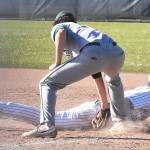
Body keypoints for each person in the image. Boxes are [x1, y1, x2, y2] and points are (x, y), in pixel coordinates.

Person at [22, 11, 129, 138]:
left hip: (93, 51)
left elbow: (60, 32)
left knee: (47, 83)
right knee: (113, 80)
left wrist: (57, 63)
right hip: (117, 54)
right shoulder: (82, 31)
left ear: (57, 22)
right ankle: (121, 122)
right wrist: (104, 104)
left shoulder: (61, 26)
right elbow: (96, 71)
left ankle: (47, 126)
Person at [0, 86, 150, 131]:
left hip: (97, 114)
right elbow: (123, 102)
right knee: (48, 120)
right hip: (94, 113)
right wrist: (107, 115)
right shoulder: (148, 94)